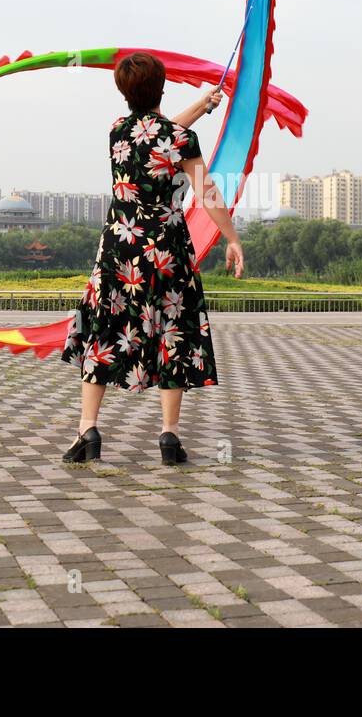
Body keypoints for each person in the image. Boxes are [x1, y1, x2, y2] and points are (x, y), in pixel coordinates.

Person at [59, 52, 244, 465]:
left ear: (125, 92)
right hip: (166, 251)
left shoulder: (117, 133)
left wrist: (202, 105)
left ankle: (87, 429)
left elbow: (154, 136)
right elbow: (205, 190)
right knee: (172, 331)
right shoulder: (180, 140)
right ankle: (169, 436)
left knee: (103, 332)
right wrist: (232, 238)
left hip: (118, 251)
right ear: (162, 87)